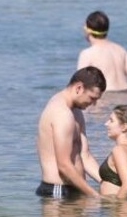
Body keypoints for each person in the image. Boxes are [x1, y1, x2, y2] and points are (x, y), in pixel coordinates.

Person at [35, 66, 107, 199]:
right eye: (92, 98)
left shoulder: (76, 111)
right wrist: (95, 196)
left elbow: (84, 155)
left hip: (74, 189)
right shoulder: (61, 113)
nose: (94, 104)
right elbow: (64, 165)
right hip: (58, 192)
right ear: (79, 88)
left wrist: (107, 183)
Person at [76, 11, 127, 91]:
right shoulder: (121, 50)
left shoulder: (87, 54)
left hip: (106, 97)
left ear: (87, 31)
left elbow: (79, 84)